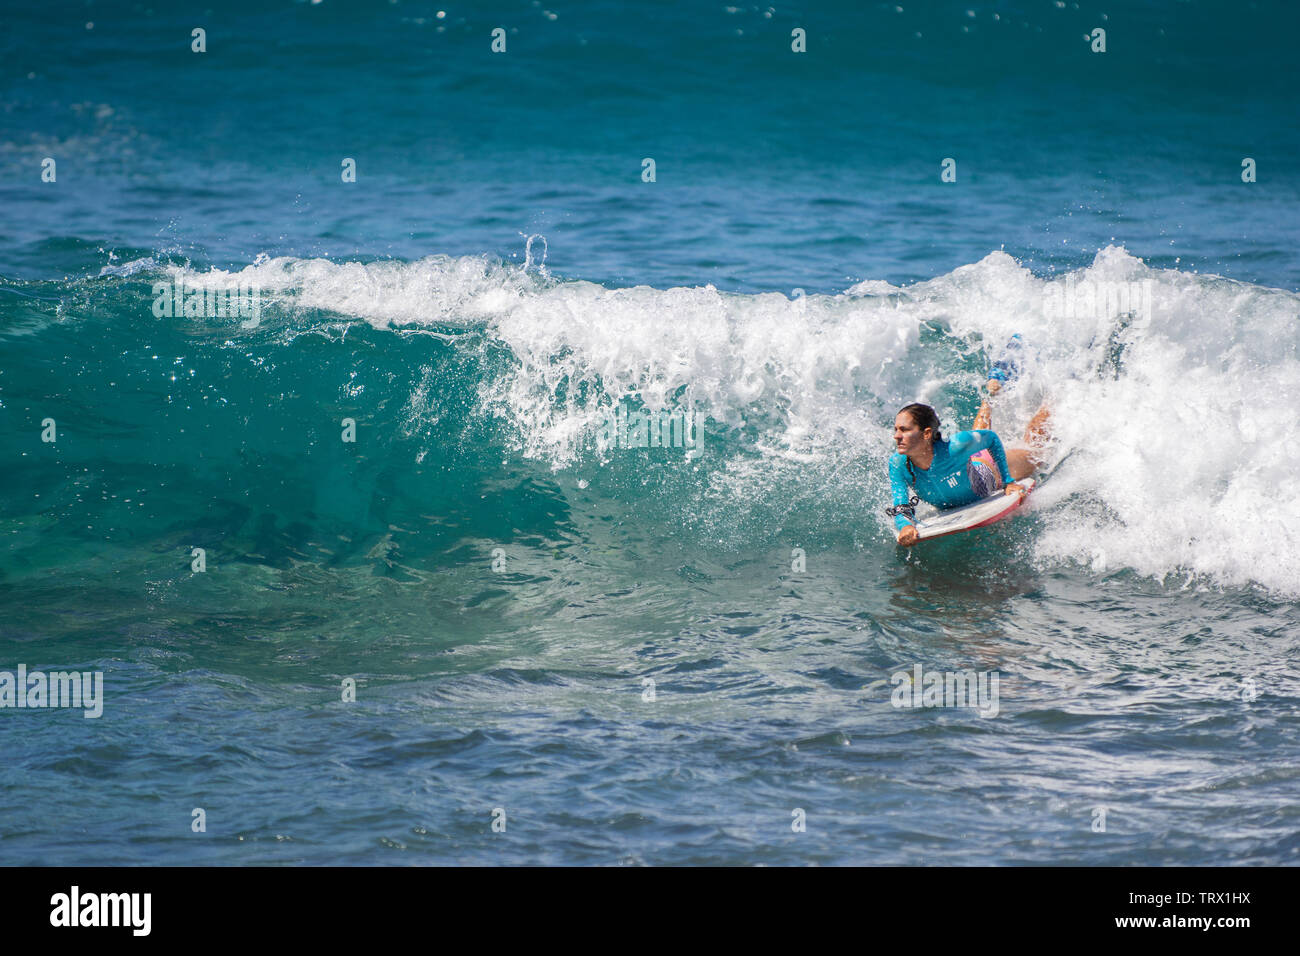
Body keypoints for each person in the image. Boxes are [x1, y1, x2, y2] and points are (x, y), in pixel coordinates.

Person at [889, 386, 1051, 547]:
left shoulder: (956, 445)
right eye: (896, 429)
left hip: (989, 469)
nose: (896, 436)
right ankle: (990, 395)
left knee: (1037, 452)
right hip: (967, 465)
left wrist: (1008, 482)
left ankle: (1051, 399)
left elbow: (991, 438)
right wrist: (906, 526)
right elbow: (900, 504)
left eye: (904, 430)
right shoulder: (897, 464)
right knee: (975, 438)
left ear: (926, 433)